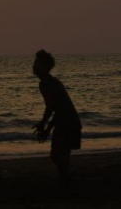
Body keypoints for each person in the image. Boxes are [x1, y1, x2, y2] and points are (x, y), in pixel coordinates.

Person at [32, 49, 82, 185]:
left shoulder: (46, 83)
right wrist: (46, 127)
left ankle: (65, 180)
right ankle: (66, 179)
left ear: (42, 67)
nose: (33, 66)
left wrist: (44, 124)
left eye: (35, 63)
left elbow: (51, 107)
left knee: (57, 154)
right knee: (61, 154)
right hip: (68, 121)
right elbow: (57, 109)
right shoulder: (51, 81)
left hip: (67, 122)